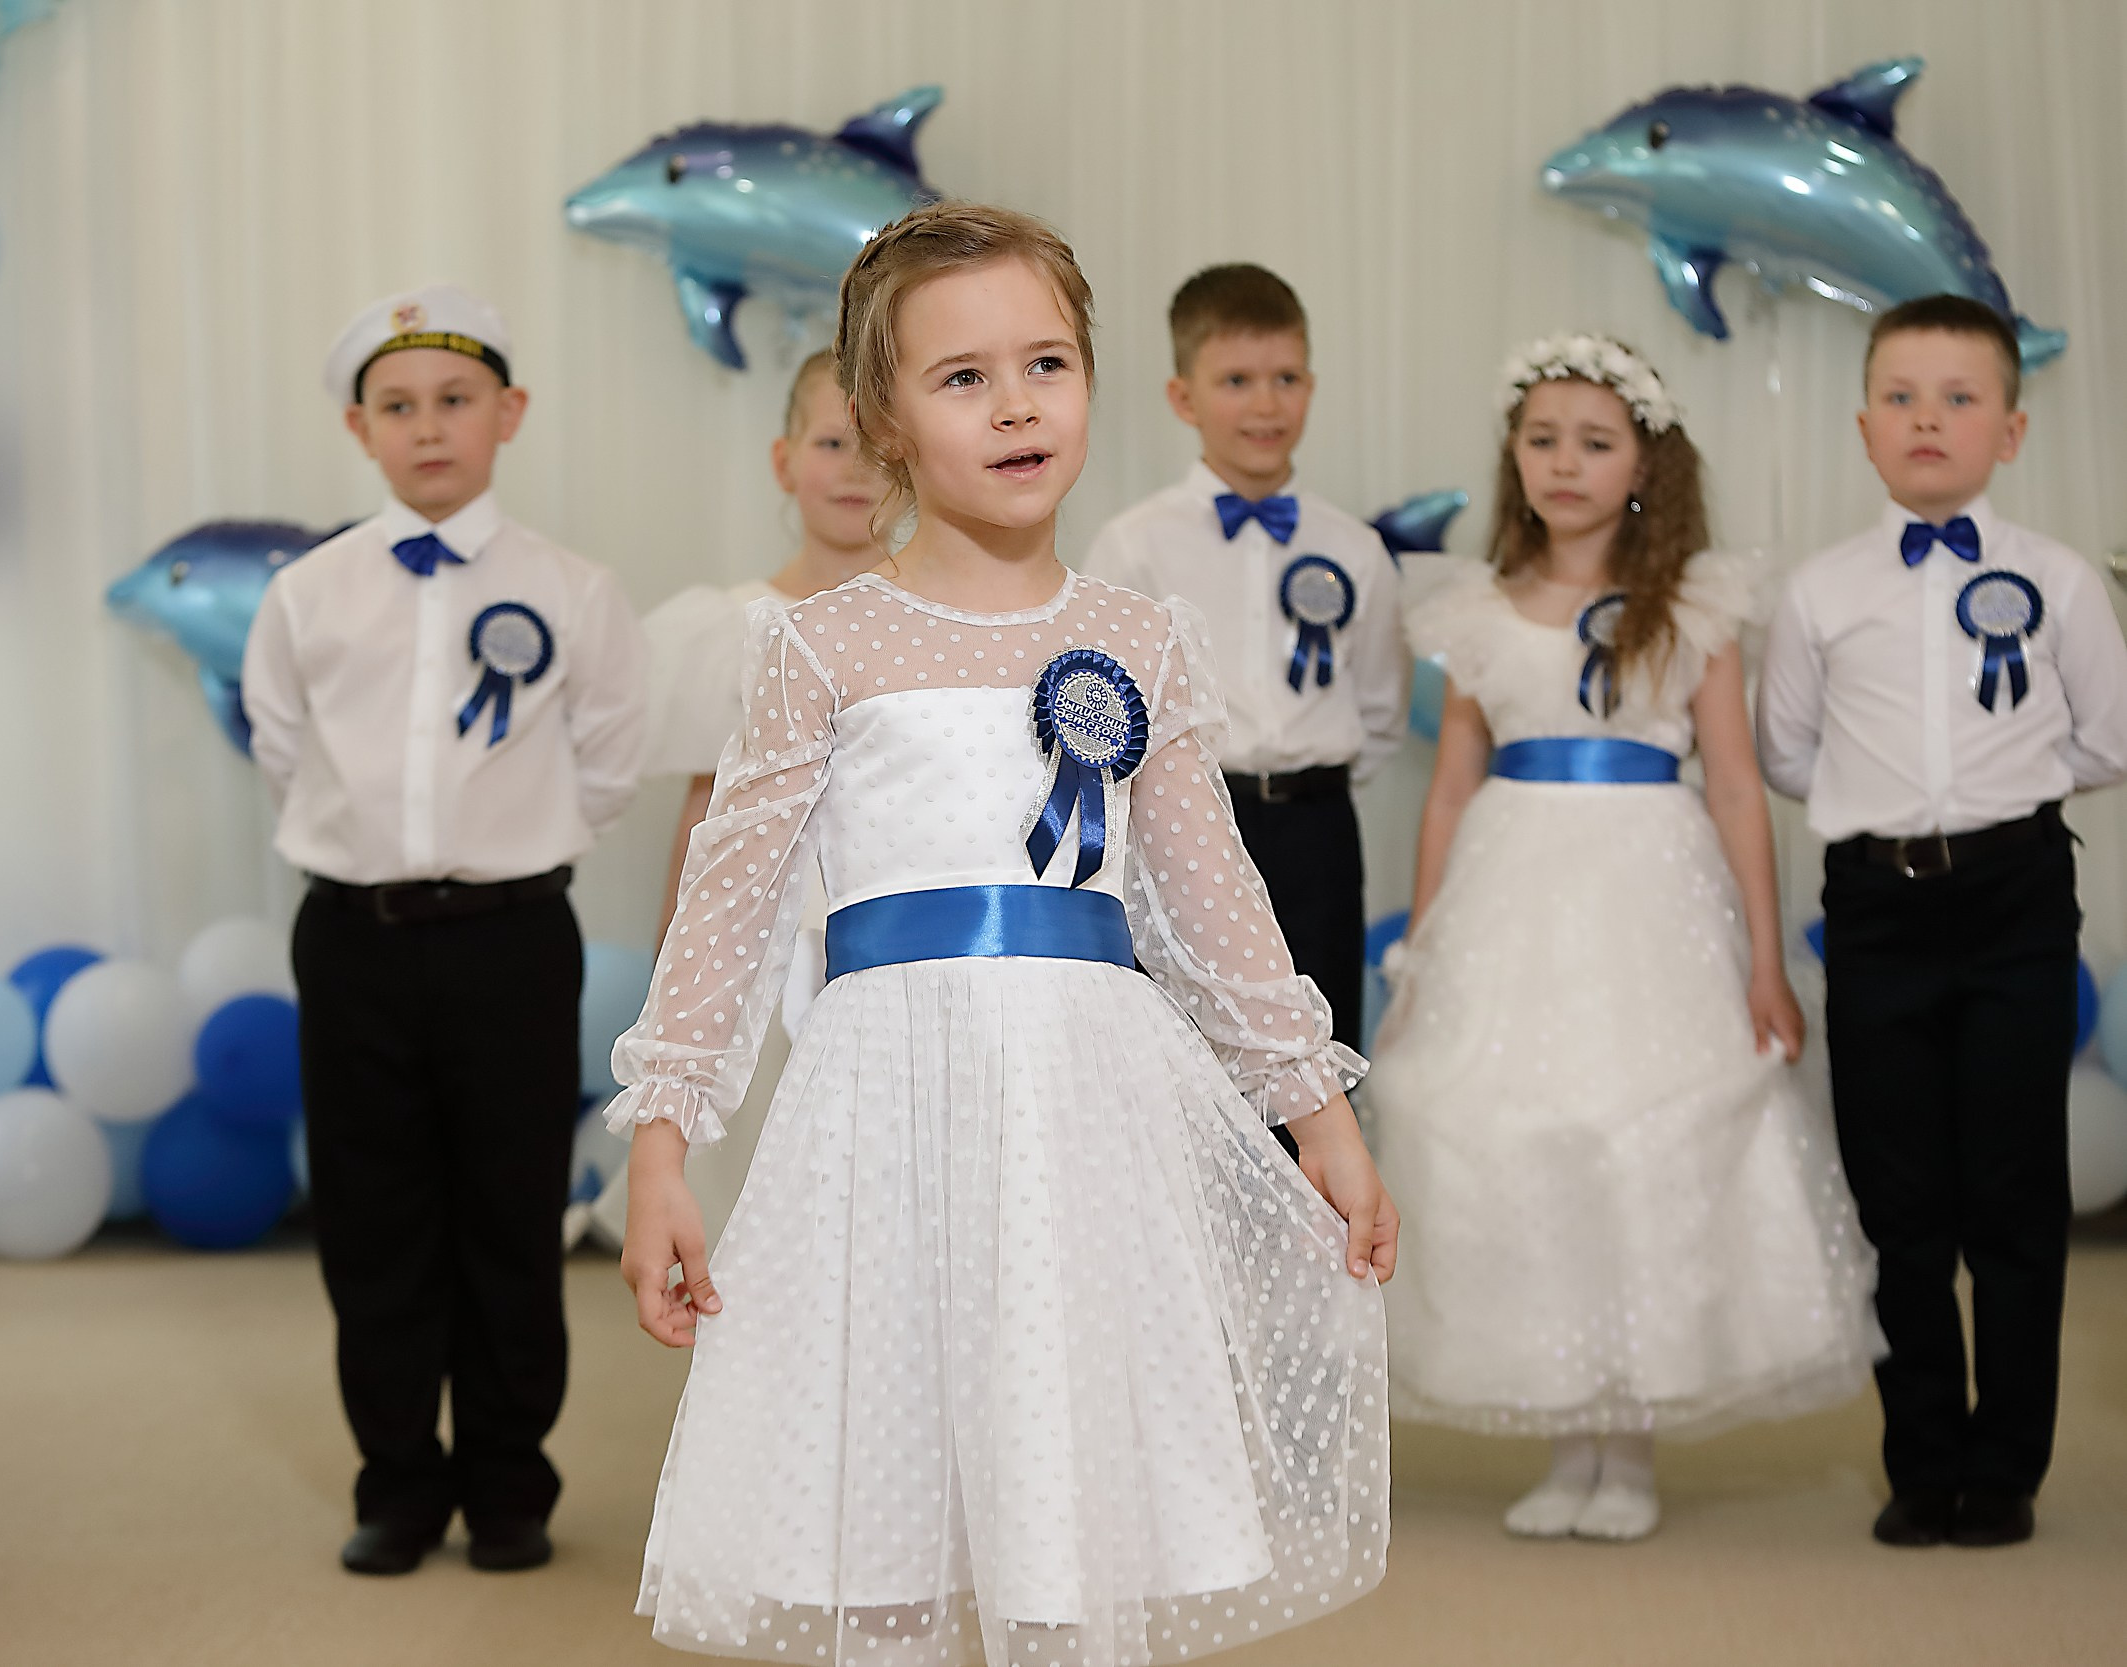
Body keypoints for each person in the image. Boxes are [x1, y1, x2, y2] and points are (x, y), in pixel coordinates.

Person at [610, 202, 1396, 1667]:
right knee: (891, 1475)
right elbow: (729, 903)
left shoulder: (1138, 640)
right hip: (885, 1107)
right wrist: (663, 1135)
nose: (1017, 401)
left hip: (1082, 1107)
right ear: (887, 423)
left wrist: (1320, 1110)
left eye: (1046, 361)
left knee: (1069, 1473)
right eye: (962, 376)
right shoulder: (820, 644)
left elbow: (1216, 904)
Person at [1370, 335, 1874, 1543]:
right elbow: (1449, 787)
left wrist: (1764, 956)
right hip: (1514, 883)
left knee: (1637, 1136)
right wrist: (1422, 951)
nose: (1564, 463)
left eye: (1593, 442)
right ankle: (1565, 1428)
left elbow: (1741, 787)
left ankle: (1630, 1438)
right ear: (1513, 456)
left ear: (1643, 459)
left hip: (1651, 884)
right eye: (1541, 439)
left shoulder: (1694, 605)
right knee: (1527, 1136)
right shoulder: (1478, 606)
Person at [240, 285, 647, 1577]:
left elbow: (606, 763)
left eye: (456, 401)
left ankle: (511, 1480)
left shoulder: (575, 592)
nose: (430, 428)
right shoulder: (306, 595)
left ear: (508, 414)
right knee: (375, 1218)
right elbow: (283, 750)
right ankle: (399, 1480)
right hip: (355, 941)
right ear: (361, 429)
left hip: (511, 942)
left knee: (510, 1213)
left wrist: (501, 853)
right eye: (399, 406)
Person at [1758, 295, 2127, 1549]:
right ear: (1864, 428)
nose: (1929, 418)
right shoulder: (1819, 593)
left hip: (2019, 897)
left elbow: (2104, 736)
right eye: (1903, 397)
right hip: (1873, 907)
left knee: (2015, 1189)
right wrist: (1900, 820)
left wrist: (1992, 802)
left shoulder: (2060, 578)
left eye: (1959, 397)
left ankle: (2006, 1461)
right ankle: (1920, 1456)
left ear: (2011, 429)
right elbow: (1788, 751)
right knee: (1897, 1191)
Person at [1082, 264, 1405, 1081]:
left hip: (1318, 834)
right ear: (1183, 398)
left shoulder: (1356, 549)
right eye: (1236, 381)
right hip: (1188, 831)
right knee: (1190, 1066)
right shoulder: (1135, 544)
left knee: (1315, 1060)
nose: (1266, 404)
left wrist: (1305, 788)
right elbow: (1102, 712)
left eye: (1285, 379)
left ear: (1312, 386)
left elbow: (1379, 711)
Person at [606, 351, 889, 1247]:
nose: (853, 469)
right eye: (831, 442)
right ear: (784, 460)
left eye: (876, 445)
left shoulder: (940, 623)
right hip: (769, 960)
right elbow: (707, 810)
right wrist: (673, 970)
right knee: (767, 1212)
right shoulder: (730, 626)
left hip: (898, 944)